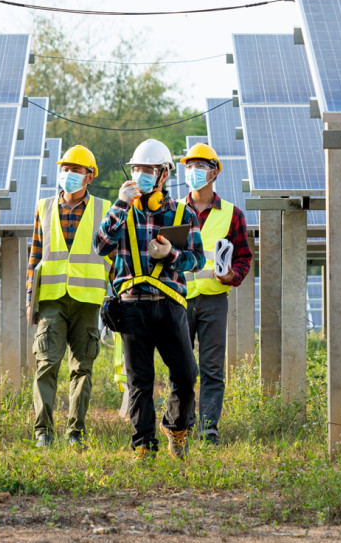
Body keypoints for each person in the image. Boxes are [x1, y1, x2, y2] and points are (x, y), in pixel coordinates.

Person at [94, 138, 204, 461]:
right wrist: (120, 204)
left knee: (186, 374)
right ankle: (144, 444)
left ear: (164, 174)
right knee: (139, 380)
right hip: (131, 305)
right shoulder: (121, 211)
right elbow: (100, 245)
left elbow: (197, 260)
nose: (140, 175)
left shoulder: (183, 213)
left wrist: (171, 254)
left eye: (148, 170)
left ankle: (176, 426)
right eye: (136, 169)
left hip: (169, 305)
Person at [26, 145, 111, 449]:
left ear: (89, 176)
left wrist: (113, 302)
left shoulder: (104, 209)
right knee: (46, 364)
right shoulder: (44, 207)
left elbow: (113, 256)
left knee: (83, 368)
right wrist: (30, 300)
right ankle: (43, 432)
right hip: (52, 299)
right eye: (65, 169)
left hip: (88, 300)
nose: (68, 174)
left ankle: (75, 432)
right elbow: (35, 255)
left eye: (76, 170)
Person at [180, 143, 254, 445]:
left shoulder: (232, 214)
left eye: (199, 166)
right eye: (189, 167)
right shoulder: (173, 211)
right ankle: (182, 425)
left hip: (214, 300)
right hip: (179, 298)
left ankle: (208, 429)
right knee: (181, 367)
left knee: (212, 368)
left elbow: (244, 257)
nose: (192, 172)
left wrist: (233, 275)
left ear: (214, 173)